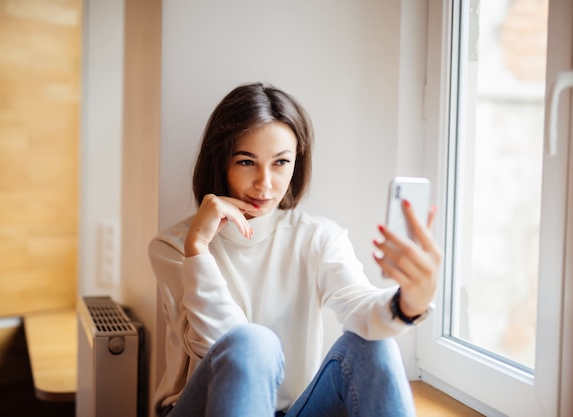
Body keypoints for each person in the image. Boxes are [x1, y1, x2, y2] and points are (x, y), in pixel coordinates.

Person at [148, 82, 442, 417]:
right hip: (204, 408)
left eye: (281, 162)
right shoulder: (174, 247)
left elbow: (361, 308)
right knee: (253, 343)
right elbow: (220, 348)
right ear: (220, 163)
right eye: (246, 162)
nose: (265, 183)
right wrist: (198, 249)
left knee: (375, 347)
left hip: (292, 411)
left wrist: (410, 301)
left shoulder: (317, 237)